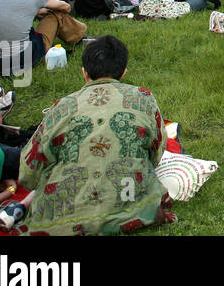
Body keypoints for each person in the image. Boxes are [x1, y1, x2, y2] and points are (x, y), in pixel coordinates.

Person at [16, 35, 176, 235]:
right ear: (124, 72)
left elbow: (28, 172)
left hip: (61, 219)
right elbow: (156, 152)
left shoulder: (61, 107)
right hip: (135, 205)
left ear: (84, 73)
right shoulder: (144, 98)